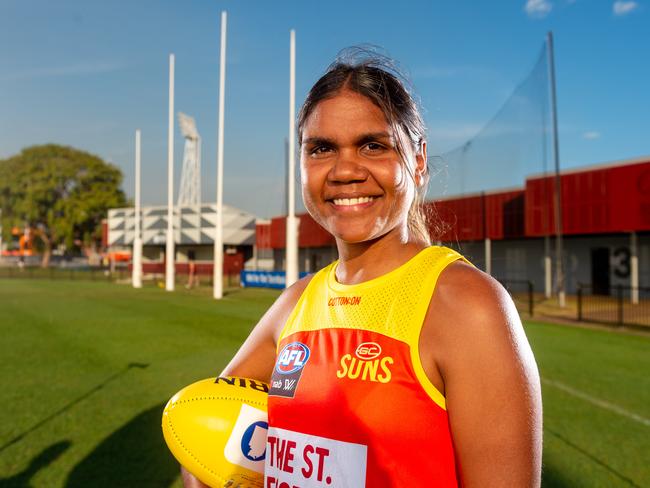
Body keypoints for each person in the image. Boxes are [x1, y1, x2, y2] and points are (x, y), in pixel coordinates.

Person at [182, 51, 542, 487]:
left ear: (419, 160)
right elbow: (205, 417)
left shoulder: (465, 305)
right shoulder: (295, 303)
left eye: (373, 145)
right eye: (321, 149)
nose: (345, 170)